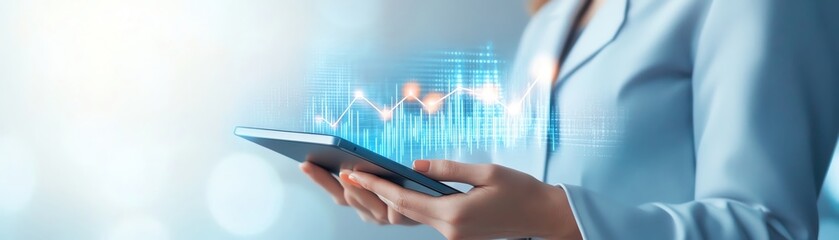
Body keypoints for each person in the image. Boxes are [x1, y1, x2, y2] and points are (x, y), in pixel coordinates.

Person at [300, 0, 839, 239]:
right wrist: (429, 203)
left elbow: (769, 229)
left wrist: (559, 217)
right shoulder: (552, 19)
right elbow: (519, 200)